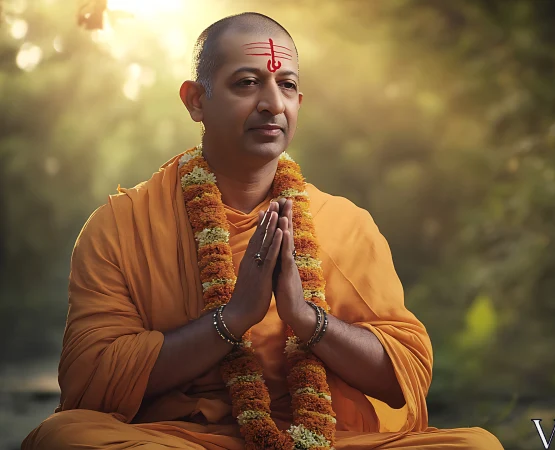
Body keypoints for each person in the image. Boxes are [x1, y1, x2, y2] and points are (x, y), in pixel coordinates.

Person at [22, 11, 504, 450]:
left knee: (476, 447)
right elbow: (90, 377)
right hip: (182, 441)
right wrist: (232, 320)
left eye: (287, 85)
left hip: (327, 441)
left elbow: (406, 373)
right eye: (247, 83)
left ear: (299, 100)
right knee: (65, 440)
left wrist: (305, 317)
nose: (272, 103)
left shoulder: (347, 224)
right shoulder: (121, 225)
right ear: (196, 101)